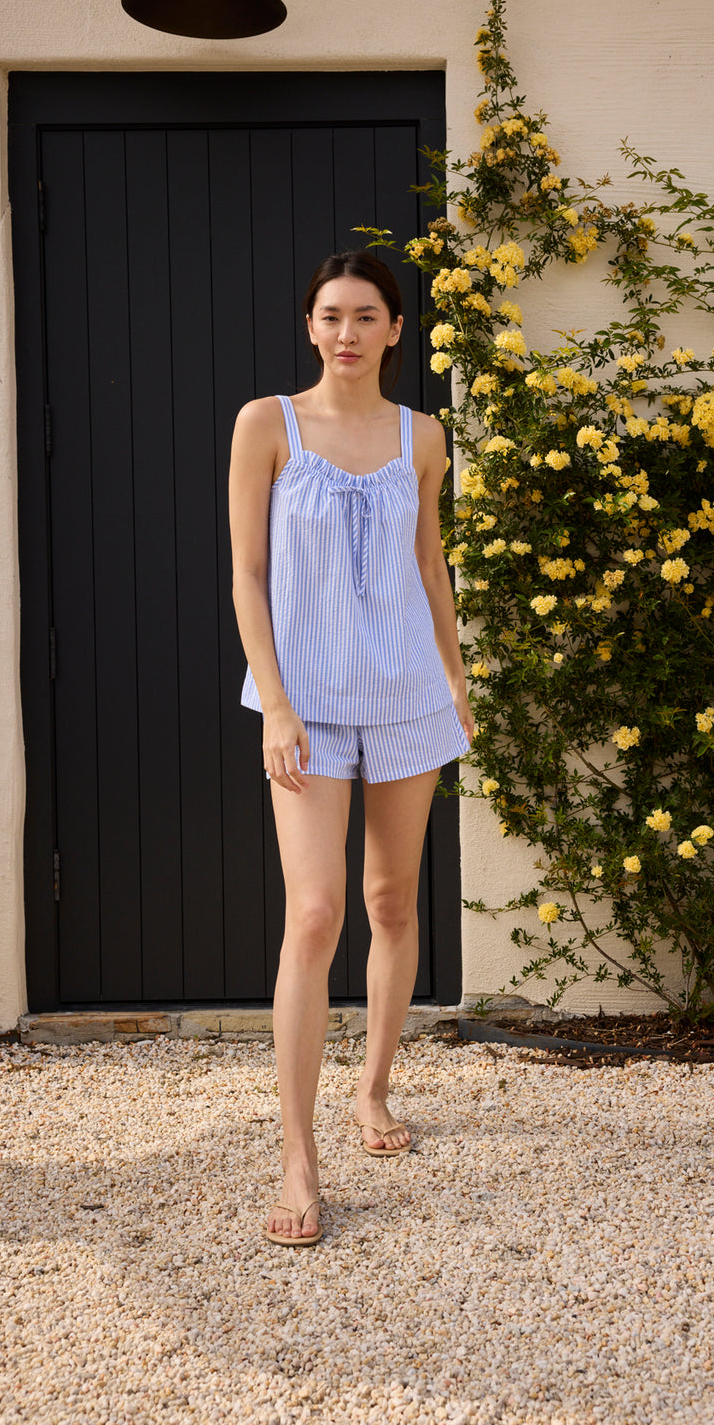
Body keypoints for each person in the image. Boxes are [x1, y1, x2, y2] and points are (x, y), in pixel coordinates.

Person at [229, 250, 474, 1248]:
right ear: (310, 325)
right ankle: (298, 1155)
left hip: (408, 696)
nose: (347, 332)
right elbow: (247, 576)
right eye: (331, 315)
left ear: (395, 329)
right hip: (309, 707)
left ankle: (373, 1092)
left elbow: (431, 565)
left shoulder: (424, 434)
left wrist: (457, 683)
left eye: (366, 315)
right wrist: (275, 706)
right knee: (316, 911)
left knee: (391, 900)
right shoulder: (267, 425)